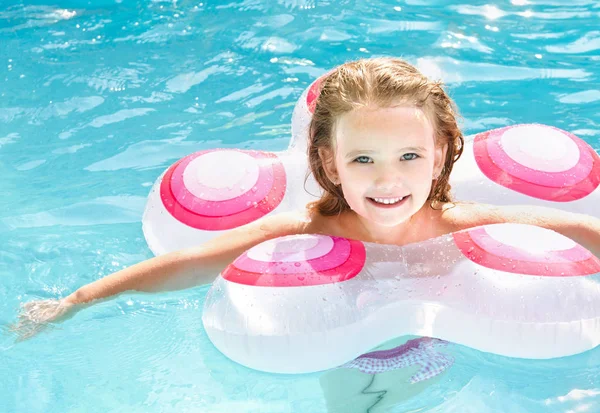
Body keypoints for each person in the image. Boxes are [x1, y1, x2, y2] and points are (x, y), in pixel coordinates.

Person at [10, 57, 600, 340]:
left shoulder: (464, 222)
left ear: (443, 154)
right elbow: (190, 263)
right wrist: (76, 300)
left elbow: (571, 229)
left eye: (409, 158)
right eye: (363, 160)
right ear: (328, 164)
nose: (387, 181)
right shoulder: (309, 233)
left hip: (447, 332)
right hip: (329, 339)